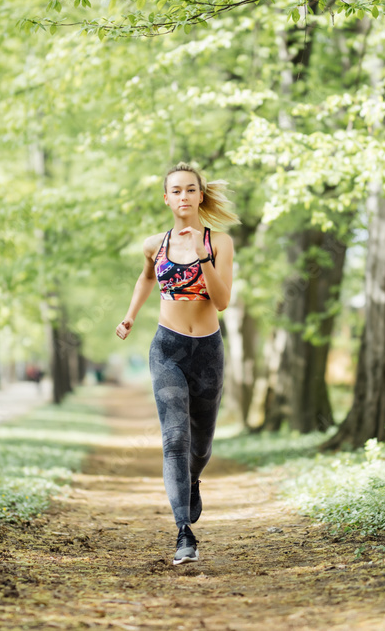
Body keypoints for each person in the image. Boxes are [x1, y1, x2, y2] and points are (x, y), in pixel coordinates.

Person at [115, 162, 238, 566]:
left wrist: (203, 258)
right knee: (174, 440)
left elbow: (221, 301)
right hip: (167, 348)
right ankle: (184, 532)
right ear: (166, 198)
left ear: (200, 195)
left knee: (200, 444)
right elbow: (146, 278)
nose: (183, 196)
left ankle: (194, 479)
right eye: (176, 190)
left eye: (190, 189)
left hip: (206, 351)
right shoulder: (155, 244)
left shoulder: (219, 242)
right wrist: (131, 314)